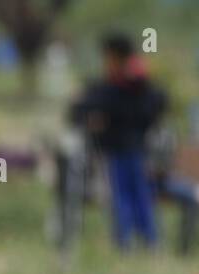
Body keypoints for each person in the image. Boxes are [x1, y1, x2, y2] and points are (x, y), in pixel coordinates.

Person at [70, 33, 169, 250]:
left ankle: (129, 242)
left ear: (115, 55)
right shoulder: (138, 82)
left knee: (125, 197)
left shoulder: (120, 85)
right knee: (138, 196)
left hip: (124, 150)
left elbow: (91, 107)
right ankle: (148, 242)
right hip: (132, 149)